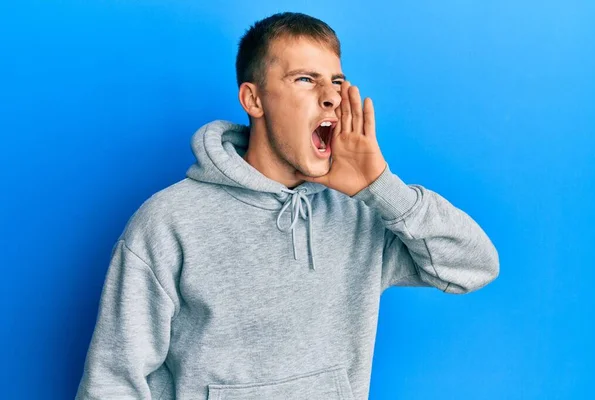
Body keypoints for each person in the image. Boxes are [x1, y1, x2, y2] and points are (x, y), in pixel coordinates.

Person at [75, 11, 499, 400]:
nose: (331, 96)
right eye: (305, 80)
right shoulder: (169, 221)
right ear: (253, 100)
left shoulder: (360, 213)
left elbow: (475, 266)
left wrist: (380, 186)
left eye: (336, 80)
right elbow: (113, 381)